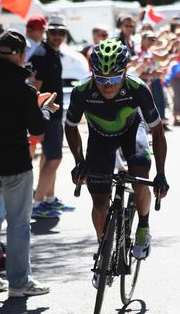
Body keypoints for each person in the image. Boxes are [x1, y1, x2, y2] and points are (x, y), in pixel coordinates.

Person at [65, 39, 169, 281]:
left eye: (114, 78)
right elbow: (70, 128)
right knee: (99, 202)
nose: (108, 85)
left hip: (131, 133)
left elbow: (158, 131)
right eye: (101, 79)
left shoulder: (137, 88)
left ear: (125, 72)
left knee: (141, 179)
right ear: (93, 74)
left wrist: (161, 173)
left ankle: (143, 226)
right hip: (99, 139)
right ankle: (103, 252)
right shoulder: (82, 91)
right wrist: (79, 161)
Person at [0, 30, 59, 296]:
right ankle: (20, 283)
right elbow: (37, 128)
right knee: (18, 223)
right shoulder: (23, 87)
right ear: (20, 54)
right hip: (14, 163)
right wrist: (44, 106)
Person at [30, 15, 72, 218]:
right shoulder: (41, 55)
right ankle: (37, 204)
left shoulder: (52, 53)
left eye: (61, 33)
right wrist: (40, 116)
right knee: (54, 158)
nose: (57, 36)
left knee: (48, 158)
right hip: (47, 116)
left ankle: (49, 199)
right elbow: (33, 90)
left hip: (52, 115)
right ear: (46, 33)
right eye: (53, 32)